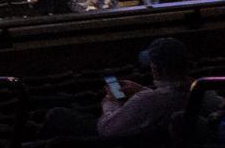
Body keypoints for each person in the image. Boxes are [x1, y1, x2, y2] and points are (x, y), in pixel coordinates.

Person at [41, 38, 192, 140]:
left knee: (56, 114)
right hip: (147, 139)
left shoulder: (146, 100)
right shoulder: (200, 92)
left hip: (109, 142)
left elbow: (106, 130)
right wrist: (141, 89)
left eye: (152, 66)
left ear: (160, 70)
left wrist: (110, 100)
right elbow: (166, 96)